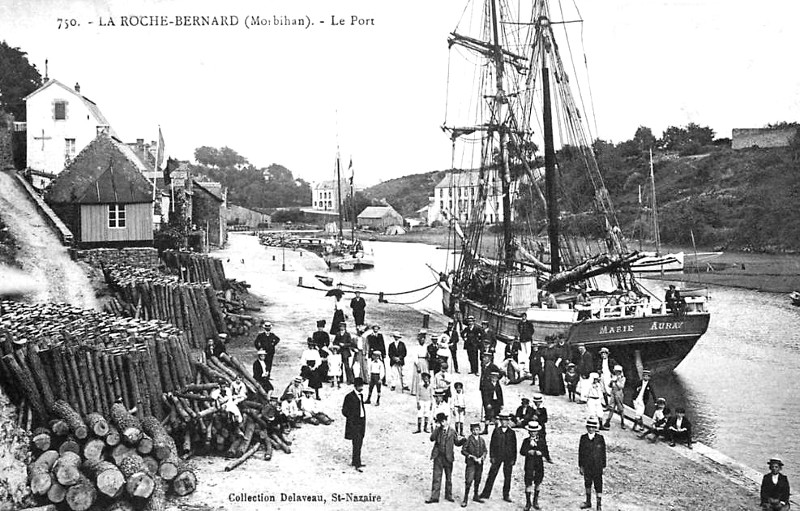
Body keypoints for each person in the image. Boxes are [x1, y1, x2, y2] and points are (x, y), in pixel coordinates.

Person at [426, 412, 466, 504]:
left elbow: (456, 443)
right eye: (440, 422)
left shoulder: (452, 431)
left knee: (449, 477)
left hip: (448, 457)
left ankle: (449, 495)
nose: (442, 423)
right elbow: (432, 439)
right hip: (438, 456)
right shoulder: (437, 430)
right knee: (436, 477)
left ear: (446, 421)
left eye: (443, 421)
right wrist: (436, 428)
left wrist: (463, 440)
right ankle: (434, 497)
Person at [479, 413, 517, 502]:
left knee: (507, 477)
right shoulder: (496, 431)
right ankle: (485, 493)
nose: (504, 422)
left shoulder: (512, 433)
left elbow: (514, 447)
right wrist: (492, 456)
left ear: (508, 422)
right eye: (502, 420)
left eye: (506, 420)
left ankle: (506, 495)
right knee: (492, 474)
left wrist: (513, 459)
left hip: (508, 457)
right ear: (500, 421)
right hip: (497, 456)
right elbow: (492, 444)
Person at [578, 416, 607, 510]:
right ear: (586, 427)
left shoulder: (600, 438)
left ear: (596, 428)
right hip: (587, 466)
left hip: (597, 466)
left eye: (593, 427)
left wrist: (604, 466)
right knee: (587, 483)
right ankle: (588, 501)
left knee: (598, 485)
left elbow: (603, 452)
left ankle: (599, 505)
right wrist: (581, 466)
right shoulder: (583, 438)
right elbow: (580, 452)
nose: (591, 429)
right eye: (589, 427)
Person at [520, 421, 549, 511]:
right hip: (529, 464)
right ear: (528, 432)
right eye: (531, 431)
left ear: (537, 432)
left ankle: (535, 501)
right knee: (528, 482)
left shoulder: (541, 441)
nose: (533, 433)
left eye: (535, 431)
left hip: (538, 464)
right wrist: (528, 452)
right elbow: (522, 451)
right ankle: (528, 503)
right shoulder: (526, 441)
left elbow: (546, 452)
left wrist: (541, 453)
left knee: (538, 482)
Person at [341, 377, 367, 471]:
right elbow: (344, 411)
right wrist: (352, 418)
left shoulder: (361, 395)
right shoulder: (349, 396)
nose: (361, 387)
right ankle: (356, 462)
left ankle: (356, 461)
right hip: (354, 423)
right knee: (356, 442)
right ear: (355, 386)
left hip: (361, 421)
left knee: (360, 442)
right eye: (360, 385)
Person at [461, 422, 487, 507]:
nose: (476, 431)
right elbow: (463, 450)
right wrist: (471, 456)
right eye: (474, 430)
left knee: (478, 479)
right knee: (469, 481)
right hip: (471, 464)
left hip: (479, 463)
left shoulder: (482, 440)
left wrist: (482, 457)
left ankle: (476, 495)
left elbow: (485, 450)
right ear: (471, 431)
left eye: (478, 429)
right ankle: (465, 498)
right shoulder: (468, 439)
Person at [603, 365, 626, 430]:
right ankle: (607, 421)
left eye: (618, 372)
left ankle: (622, 422)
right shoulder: (614, 377)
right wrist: (611, 382)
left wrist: (616, 381)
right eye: (616, 372)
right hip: (613, 393)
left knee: (621, 409)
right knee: (611, 407)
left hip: (619, 394)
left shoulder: (623, 378)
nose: (617, 373)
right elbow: (609, 386)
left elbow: (621, 387)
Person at [411, 329, 430, 396]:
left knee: (425, 376)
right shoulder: (416, 347)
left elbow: (427, 354)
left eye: (423, 339)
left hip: (425, 362)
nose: (422, 340)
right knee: (418, 376)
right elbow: (415, 357)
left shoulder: (426, 346)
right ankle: (416, 391)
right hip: (419, 361)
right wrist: (418, 365)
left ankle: (425, 390)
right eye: (421, 339)